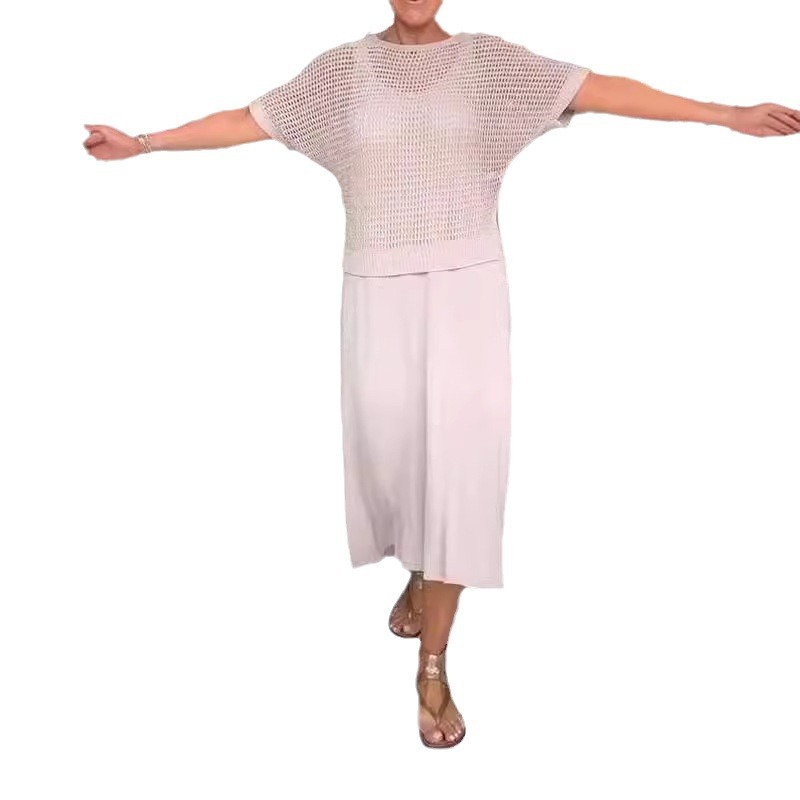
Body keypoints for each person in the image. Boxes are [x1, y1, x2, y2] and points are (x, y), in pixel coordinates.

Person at [83, 0, 799, 749]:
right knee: (392, 454)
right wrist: (142, 143)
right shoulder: (343, 71)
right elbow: (247, 119)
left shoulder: (487, 63)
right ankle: (420, 570)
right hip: (377, 291)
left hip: (466, 291)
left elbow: (600, 89)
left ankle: (433, 664)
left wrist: (726, 115)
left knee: (460, 467)